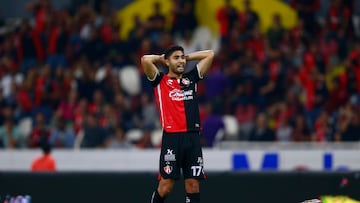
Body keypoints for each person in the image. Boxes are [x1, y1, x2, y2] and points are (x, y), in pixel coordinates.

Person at [141, 45, 214, 203]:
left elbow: (210, 54)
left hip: (193, 138)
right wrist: (161, 58)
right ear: (167, 62)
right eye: (176, 58)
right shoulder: (160, 81)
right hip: (172, 139)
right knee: (166, 185)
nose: (181, 60)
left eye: (182, 57)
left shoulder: (192, 78)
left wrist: (188, 58)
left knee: (193, 184)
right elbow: (145, 60)